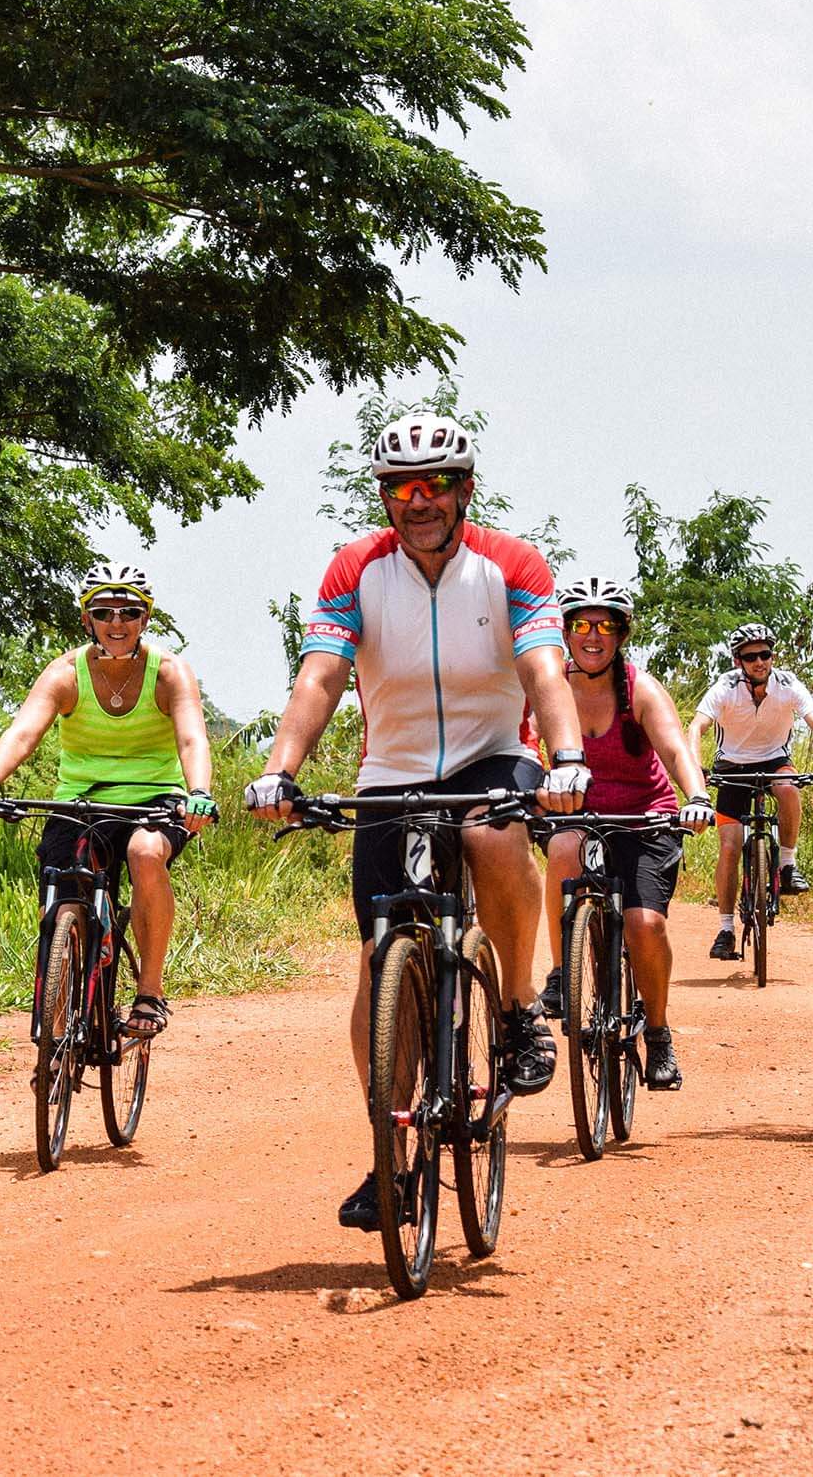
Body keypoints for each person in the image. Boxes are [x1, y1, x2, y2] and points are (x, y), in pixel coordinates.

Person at [243, 412, 588, 1232]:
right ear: (384, 497)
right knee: (376, 973)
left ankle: (512, 1013)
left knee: (492, 834)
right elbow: (322, 676)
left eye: (436, 483)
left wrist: (566, 756)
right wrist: (278, 771)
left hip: (491, 755)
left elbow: (543, 667)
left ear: (466, 486)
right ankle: (389, 1158)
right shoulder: (355, 569)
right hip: (391, 773)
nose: (419, 499)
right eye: (402, 487)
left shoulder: (512, 564)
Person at [0, 563, 218, 1036]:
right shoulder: (65, 673)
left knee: (144, 853)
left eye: (129, 612)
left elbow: (191, 739)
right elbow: (23, 732)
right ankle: (55, 1035)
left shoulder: (169, 674)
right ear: (87, 619)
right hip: (80, 801)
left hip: (155, 800)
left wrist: (198, 792)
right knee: (60, 893)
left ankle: (149, 993)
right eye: (104, 612)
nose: (116, 622)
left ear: (145, 619)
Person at [536, 576, 715, 1090]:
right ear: (566, 632)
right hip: (578, 816)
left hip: (646, 820)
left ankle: (658, 1035)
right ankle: (560, 974)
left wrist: (697, 798)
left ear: (622, 635)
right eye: (582, 624)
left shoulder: (640, 688)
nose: (594, 635)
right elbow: (523, 745)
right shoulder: (551, 688)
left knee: (643, 926)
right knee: (563, 847)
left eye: (607, 625)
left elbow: (677, 750)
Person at [687, 621, 813, 963]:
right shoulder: (725, 687)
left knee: (787, 788)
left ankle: (787, 865)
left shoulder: (787, 684)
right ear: (738, 661)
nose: (760, 662)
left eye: (765, 654)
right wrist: (696, 768)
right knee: (728, 846)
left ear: (772, 656)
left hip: (775, 761)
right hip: (731, 767)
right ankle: (725, 930)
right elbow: (697, 726)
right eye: (751, 656)